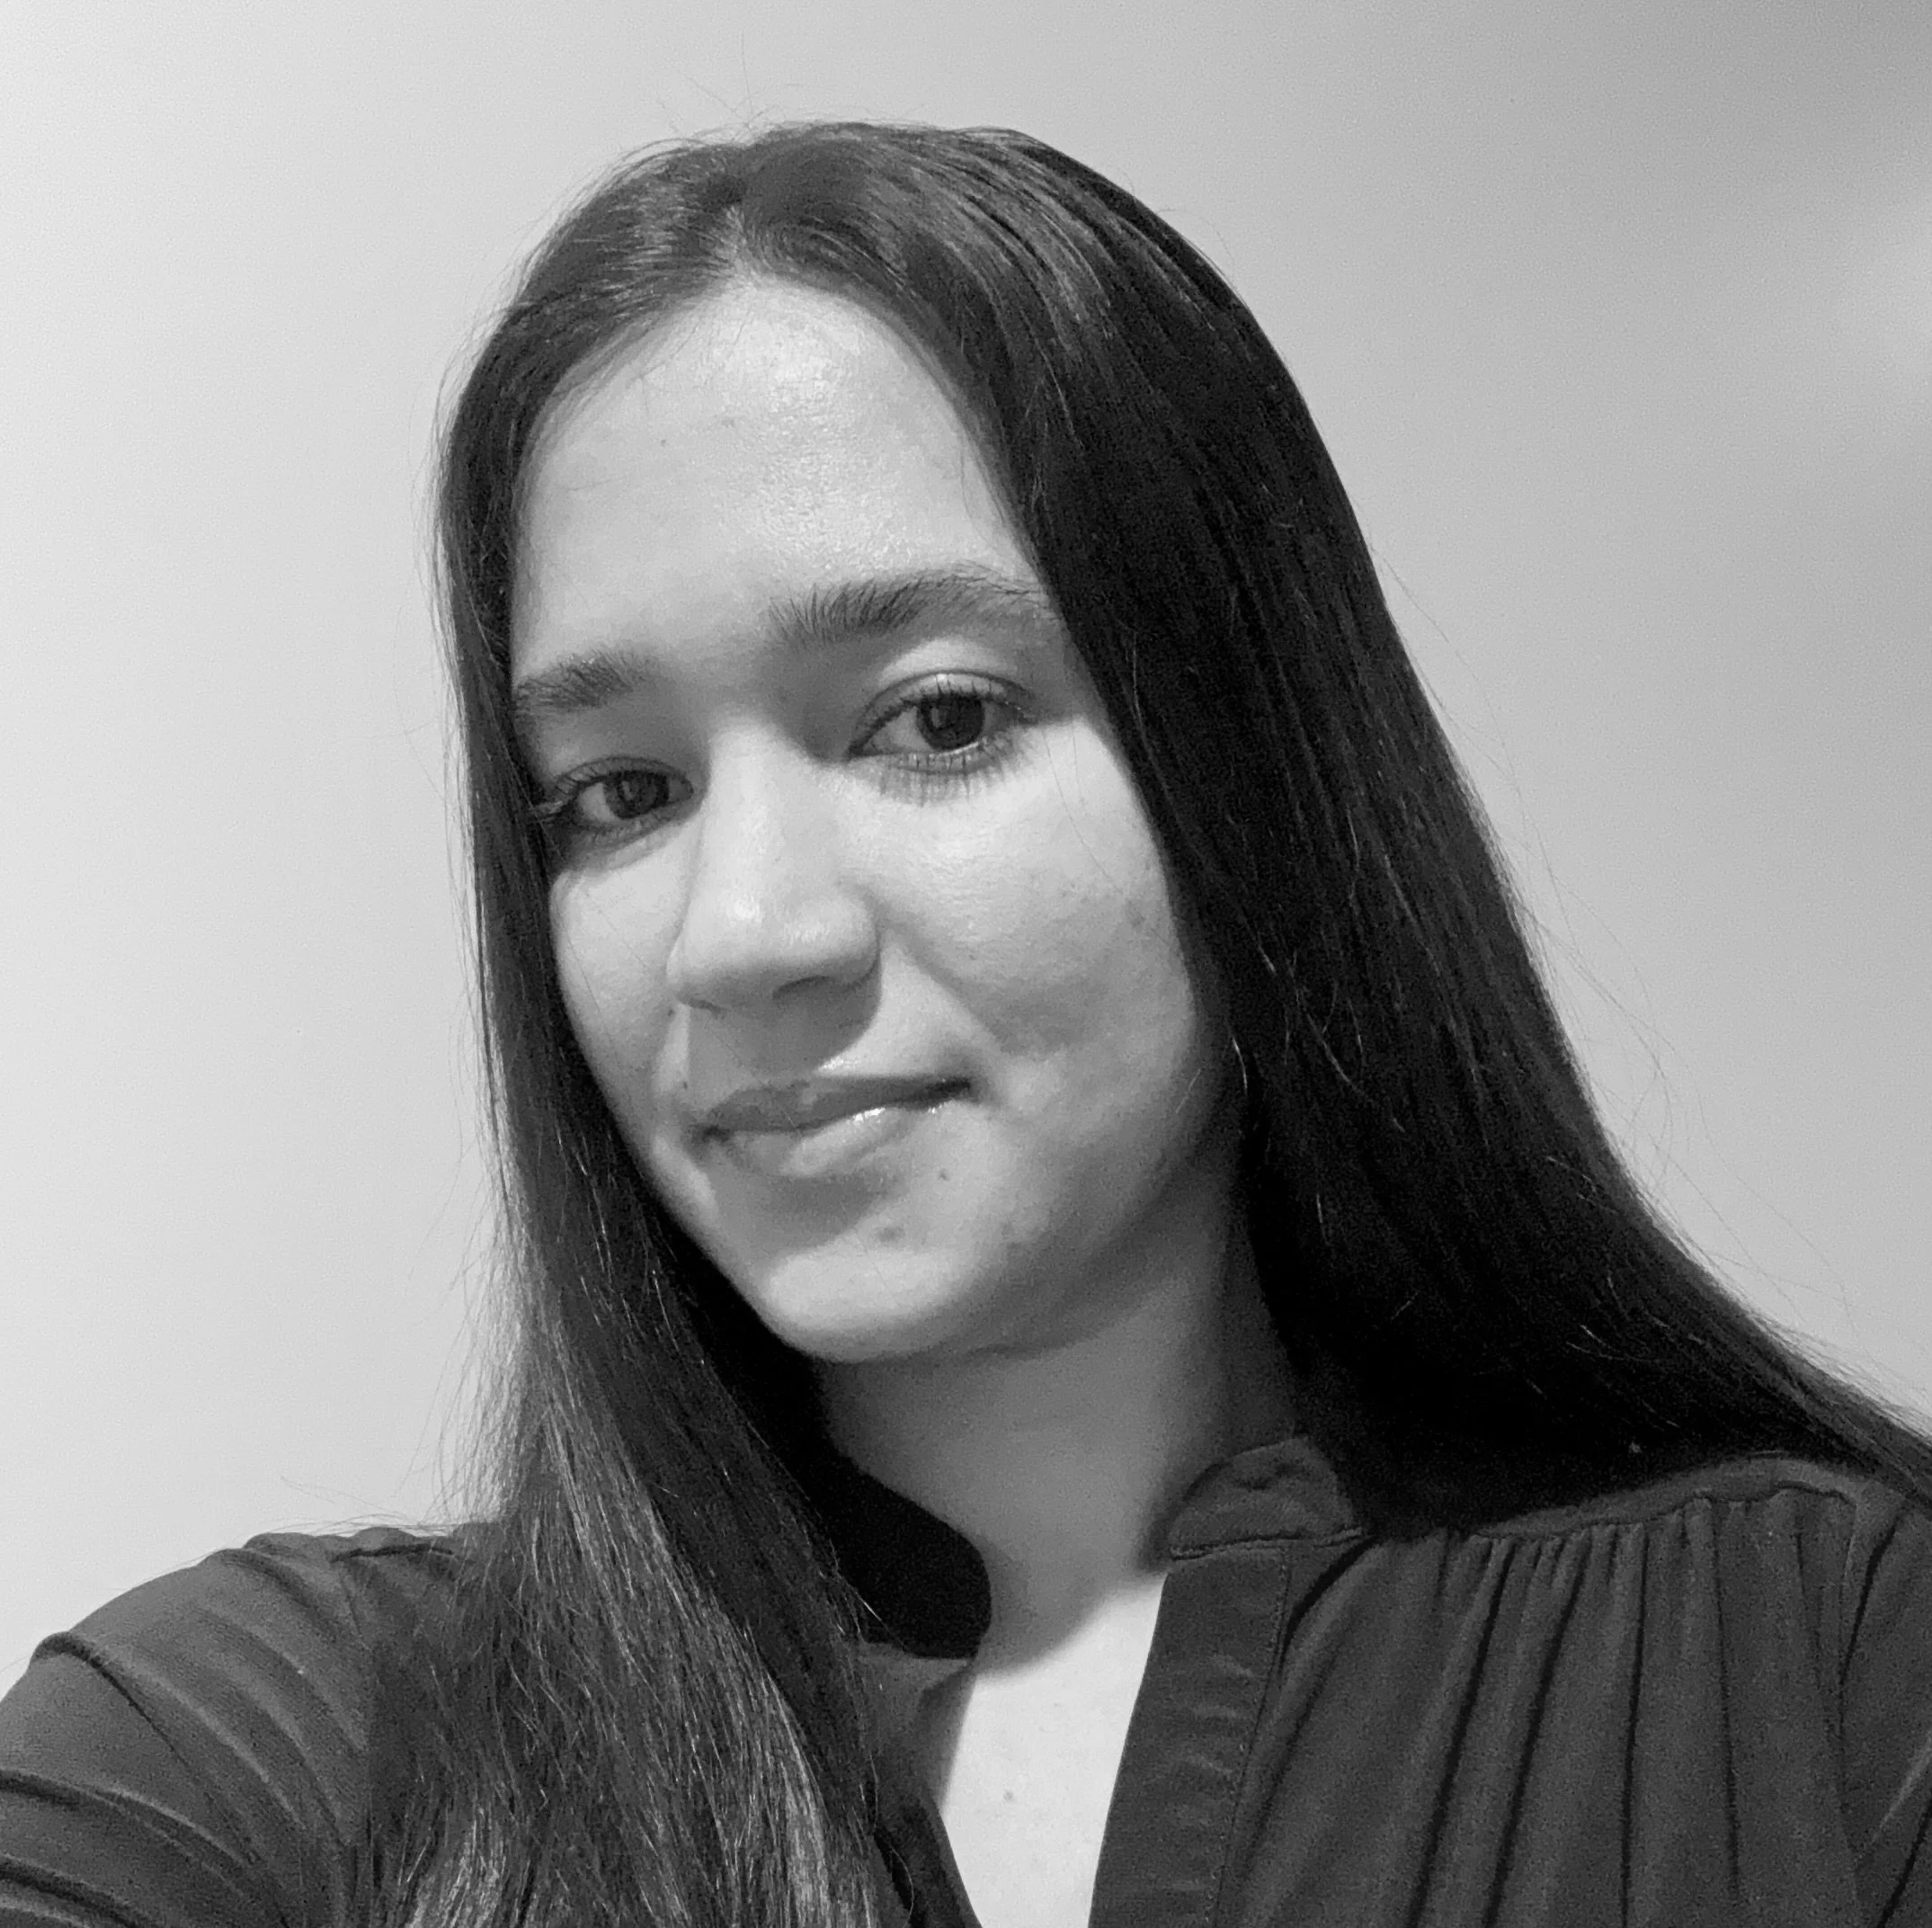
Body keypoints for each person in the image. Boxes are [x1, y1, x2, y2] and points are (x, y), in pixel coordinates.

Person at [3, 119, 1929, 1928]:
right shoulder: (263, 1747)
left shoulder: (1829, 1664)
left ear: (1249, 769)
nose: (743, 935)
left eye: (936, 720)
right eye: (620, 792)